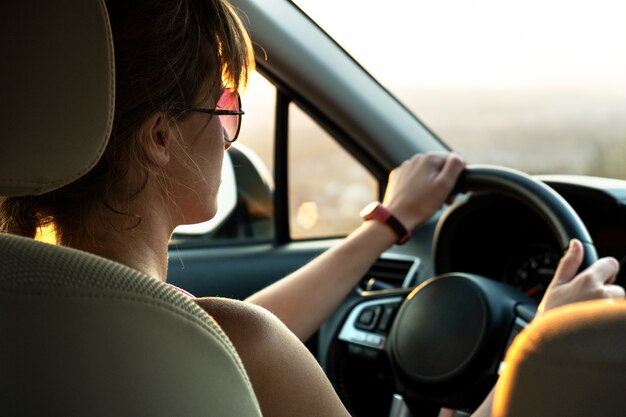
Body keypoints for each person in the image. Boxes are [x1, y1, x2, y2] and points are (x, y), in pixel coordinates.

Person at [0, 0, 623, 416]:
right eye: (221, 107)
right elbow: (235, 336)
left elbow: (223, 330)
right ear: (159, 138)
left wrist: (387, 224)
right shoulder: (223, 343)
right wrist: (538, 350)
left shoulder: (37, 310)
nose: (226, 131)